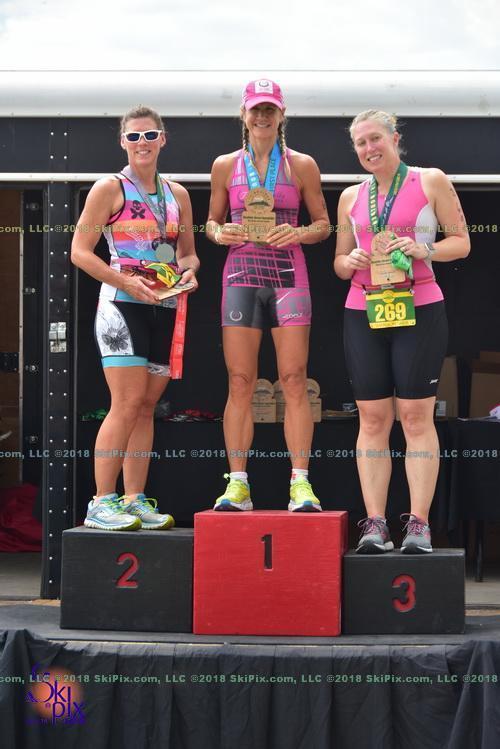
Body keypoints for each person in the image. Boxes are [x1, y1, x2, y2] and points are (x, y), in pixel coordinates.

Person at [334, 109, 470, 553]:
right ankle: (375, 523)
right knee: (373, 418)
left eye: (375, 138)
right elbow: (339, 262)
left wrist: (423, 248)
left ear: (394, 138)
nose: (369, 148)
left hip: (419, 305)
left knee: (414, 416)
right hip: (364, 308)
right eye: (360, 143)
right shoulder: (351, 196)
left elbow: (462, 242)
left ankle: (419, 525)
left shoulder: (430, 180)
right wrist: (350, 260)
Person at [71, 105, 199, 531]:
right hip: (122, 307)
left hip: (164, 305)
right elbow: (80, 252)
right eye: (133, 136)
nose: (141, 143)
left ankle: (134, 499)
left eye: (149, 135)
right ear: (122, 142)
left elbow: (187, 253)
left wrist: (189, 272)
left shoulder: (177, 194)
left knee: (146, 407)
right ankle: (100, 503)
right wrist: (125, 282)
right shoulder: (109, 188)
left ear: (163, 139)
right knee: (125, 404)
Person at [206, 79, 330, 512]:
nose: (262, 117)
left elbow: (323, 225)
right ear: (243, 114)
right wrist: (220, 233)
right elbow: (210, 222)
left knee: (294, 379)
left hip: (288, 277)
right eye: (255, 109)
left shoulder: (302, 165)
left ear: (281, 115)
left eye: (269, 110)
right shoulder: (225, 165)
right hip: (240, 277)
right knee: (240, 381)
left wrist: (297, 233)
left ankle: (301, 483)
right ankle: (238, 484)